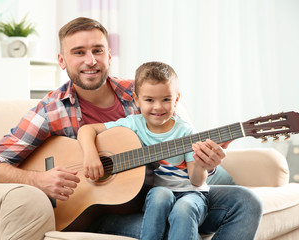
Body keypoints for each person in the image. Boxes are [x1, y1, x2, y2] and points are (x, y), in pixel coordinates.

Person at [0, 17, 262, 239]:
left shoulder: (142, 94)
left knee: (247, 203)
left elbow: (182, 145)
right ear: (61, 60)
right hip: (102, 210)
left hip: (165, 190)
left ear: (110, 55)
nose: (90, 60)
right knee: (164, 222)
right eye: (78, 52)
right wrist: (40, 181)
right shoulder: (51, 109)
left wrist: (206, 163)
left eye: (98, 50)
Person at [78, 61, 216, 239]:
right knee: (160, 194)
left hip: (191, 194)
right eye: (149, 100)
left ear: (177, 99)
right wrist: (91, 155)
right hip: (156, 194)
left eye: (166, 99)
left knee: (184, 208)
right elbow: (86, 129)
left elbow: (196, 181)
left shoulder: (186, 131)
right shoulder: (132, 124)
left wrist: (200, 164)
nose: (158, 107)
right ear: (136, 100)